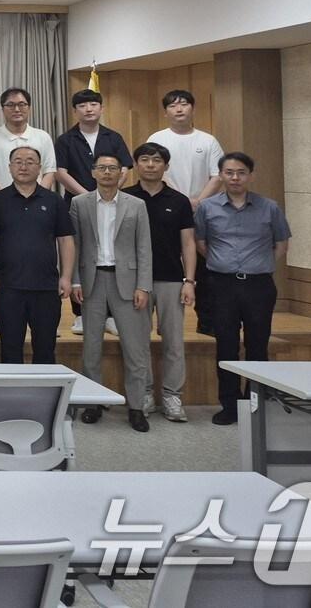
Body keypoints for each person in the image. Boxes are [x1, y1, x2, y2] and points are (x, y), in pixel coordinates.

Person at [194, 152, 291, 426]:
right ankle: (229, 404)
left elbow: (281, 244)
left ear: (250, 175)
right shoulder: (207, 208)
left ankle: (255, 402)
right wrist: (224, 263)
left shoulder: (269, 207)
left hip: (259, 285)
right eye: (229, 172)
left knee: (257, 346)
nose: (235, 177)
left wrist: (258, 265)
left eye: (241, 172)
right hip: (221, 284)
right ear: (221, 175)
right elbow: (201, 243)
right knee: (225, 345)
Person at [70, 154, 153, 433]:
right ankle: (93, 403)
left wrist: (143, 285)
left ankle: (137, 407)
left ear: (122, 174)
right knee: (91, 348)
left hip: (128, 283)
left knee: (135, 348)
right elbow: (75, 246)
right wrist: (75, 281)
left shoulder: (136, 205)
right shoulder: (79, 204)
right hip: (93, 281)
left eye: (113, 169)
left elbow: (144, 248)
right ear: (93, 172)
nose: (107, 173)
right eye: (101, 168)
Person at [124, 142, 198, 423]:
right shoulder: (126, 197)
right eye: (145, 159)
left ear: (166, 166)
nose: (151, 165)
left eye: (157, 160)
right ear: (136, 164)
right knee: (137, 341)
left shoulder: (178, 200)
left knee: (173, 341)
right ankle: (143, 393)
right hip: (134, 282)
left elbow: (188, 243)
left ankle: (172, 396)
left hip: (170, 279)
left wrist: (189, 280)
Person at [0, 147, 74, 365]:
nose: (24, 166)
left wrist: (67, 277)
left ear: (40, 167)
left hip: (46, 287)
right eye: (18, 161)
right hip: (9, 287)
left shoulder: (54, 201)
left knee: (45, 348)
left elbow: (65, 240)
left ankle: (43, 399)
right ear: (9, 167)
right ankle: (12, 398)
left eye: (30, 161)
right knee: (10, 348)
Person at [54, 88, 133, 334]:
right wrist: (87, 196)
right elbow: (60, 172)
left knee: (108, 253)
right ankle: (80, 314)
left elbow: (124, 168)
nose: (89, 109)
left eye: (93, 104)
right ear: (75, 110)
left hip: (111, 205)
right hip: (76, 205)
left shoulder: (113, 137)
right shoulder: (66, 139)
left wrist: (108, 192)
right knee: (79, 253)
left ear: (101, 108)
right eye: (83, 105)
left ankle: (110, 314)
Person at [146, 89, 225, 335]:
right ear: (165, 111)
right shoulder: (157, 138)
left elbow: (218, 175)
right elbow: (154, 172)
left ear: (193, 108)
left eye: (184, 104)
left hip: (201, 209)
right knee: (162, 262)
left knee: (204, 264)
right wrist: (179, 200)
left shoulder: (208, 140)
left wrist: (197, 201)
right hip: (165, 207)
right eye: (173, 106)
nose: (179, 109)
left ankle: (208, 322)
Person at [0, 87, 58, 195]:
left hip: (37, 204)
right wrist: (2, 199)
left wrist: (38, 198)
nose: (16, 109)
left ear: (29, 108)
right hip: (2, 205)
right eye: (10, 105)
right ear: (2, 109)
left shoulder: (43, 137)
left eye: (21, 104)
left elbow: (49, 172)